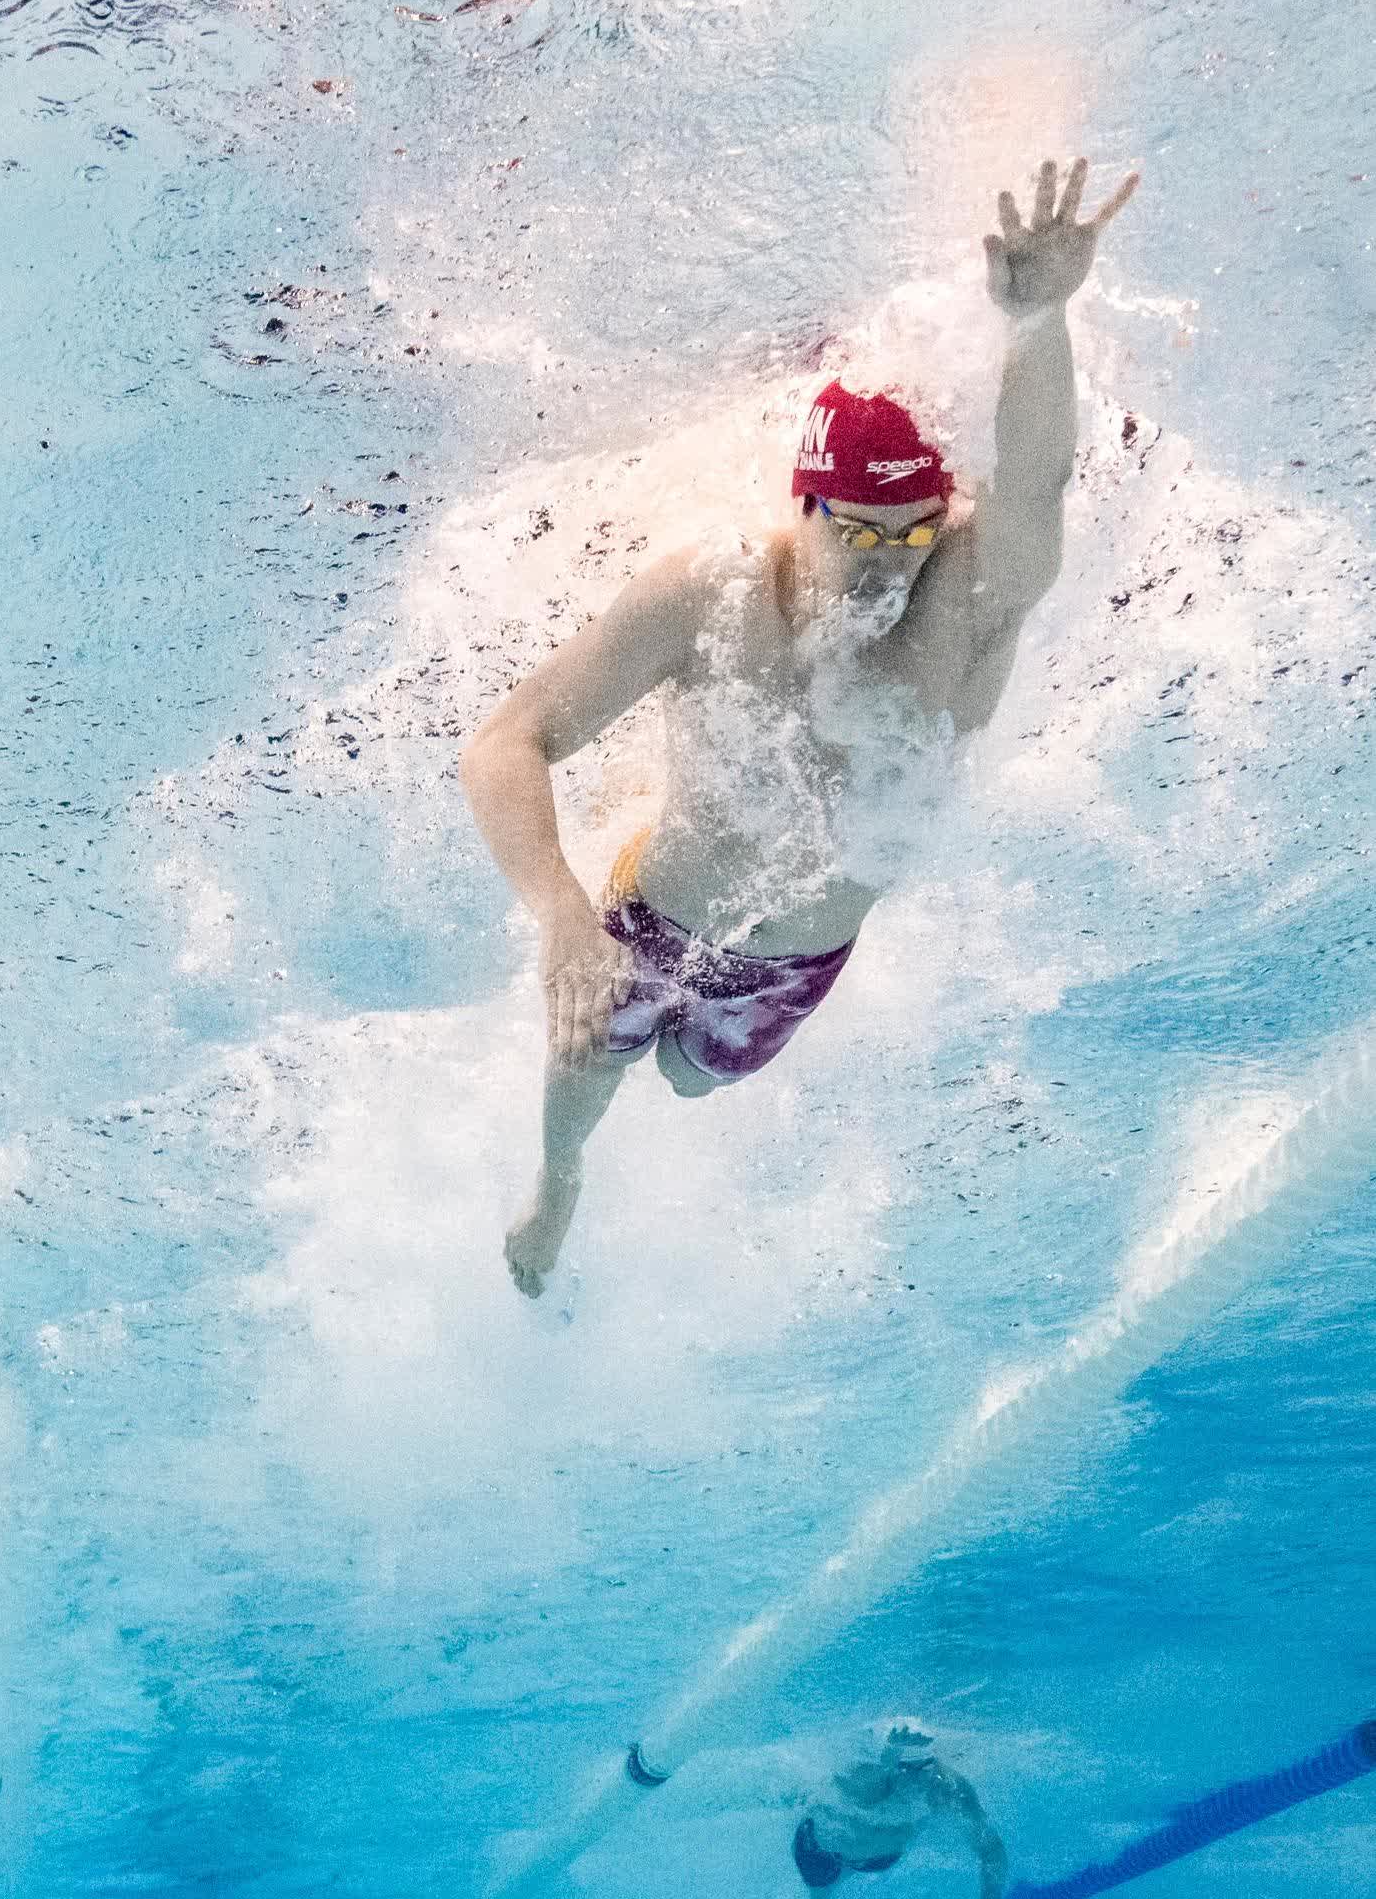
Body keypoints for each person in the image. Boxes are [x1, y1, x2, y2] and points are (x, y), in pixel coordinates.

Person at [461, 157, 1139, 1295]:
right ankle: (558, 1186)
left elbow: (1037, 485)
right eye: (861, 535)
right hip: (647, 922)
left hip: (797, 965)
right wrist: (561, 916)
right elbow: (503, 743)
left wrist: (1041, 322)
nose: (890, 562)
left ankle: (633, 1083)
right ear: (804, 505)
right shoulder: (711, 589)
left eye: (914, 531)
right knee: (587, 1072)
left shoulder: (968, 598)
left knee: (688, 1081)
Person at [795, 1720, 1008, 1899]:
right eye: (909, 1767)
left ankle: (830, 1887)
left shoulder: (946, 1786)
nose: (919, 1775)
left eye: (924, 1767)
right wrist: (891, 1753)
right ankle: (820, 1897)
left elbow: (991, 1851)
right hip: (820, 1852)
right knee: (821, 1887)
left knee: (855, 1860)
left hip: (878, 1857)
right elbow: (873, 1787)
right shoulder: (864, 1773)